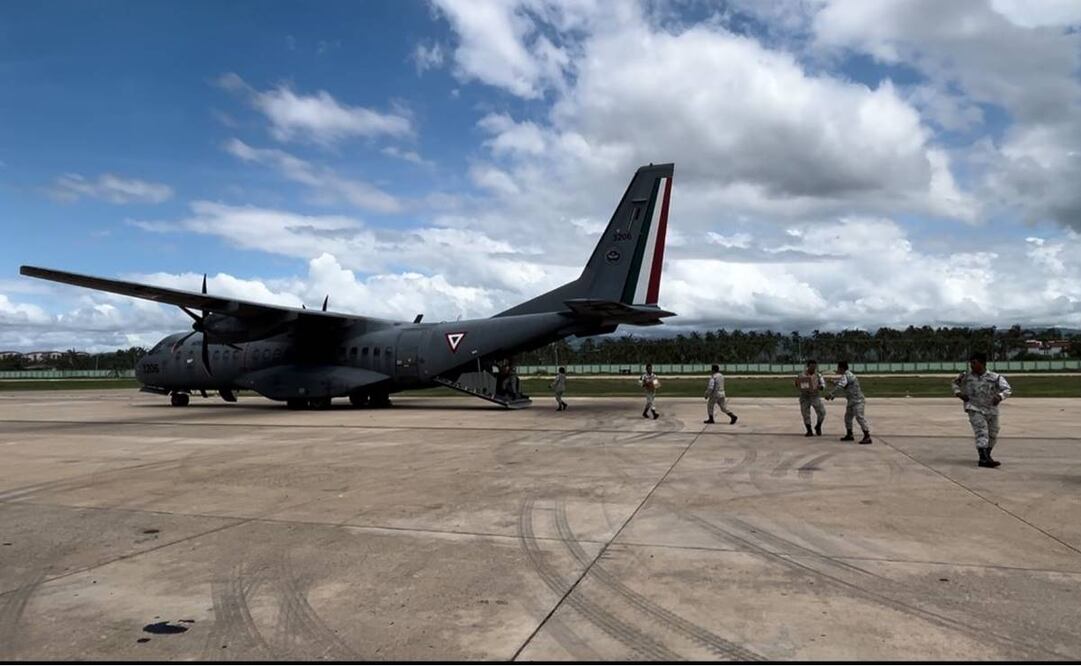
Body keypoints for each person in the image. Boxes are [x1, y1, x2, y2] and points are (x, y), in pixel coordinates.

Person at [952, 352, 1011, 468]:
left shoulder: (995, 377)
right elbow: (954, 384)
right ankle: (983, 459)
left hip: (991, 409)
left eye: (974, 363)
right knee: (981, 432)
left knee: (993, 433)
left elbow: (1007, 389)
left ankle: (987, 455)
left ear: (983, 363)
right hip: (974, 408)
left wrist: (1000, 396)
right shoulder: (966, 376)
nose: (972, 366)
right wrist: (959, 394)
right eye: (971, 363)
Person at [826, 361, 871, 444]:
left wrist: (830, 394)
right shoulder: (847, 375)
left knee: (859, 417)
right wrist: (833, 381)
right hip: (852, 401)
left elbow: (840, 386)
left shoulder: (847, 375)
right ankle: (849, 434)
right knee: (848, 418)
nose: (837, 370)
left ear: (841, 368)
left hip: (858, 401)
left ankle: (867, 436)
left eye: (838, 368)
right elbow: (843, 383)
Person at [795, 360, 826, 437]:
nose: (813, 368)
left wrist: (820, 387)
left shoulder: (818, 375)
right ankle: (809, 430)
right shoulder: (801, 375)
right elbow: (797, 384)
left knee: (822, 412)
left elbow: (823, 384)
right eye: (812, 366)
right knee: (805, 414)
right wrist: (797, 383)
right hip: (805, 396)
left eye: (815, 367)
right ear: (808, 366)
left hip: (815, 396)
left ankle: (818, 426)